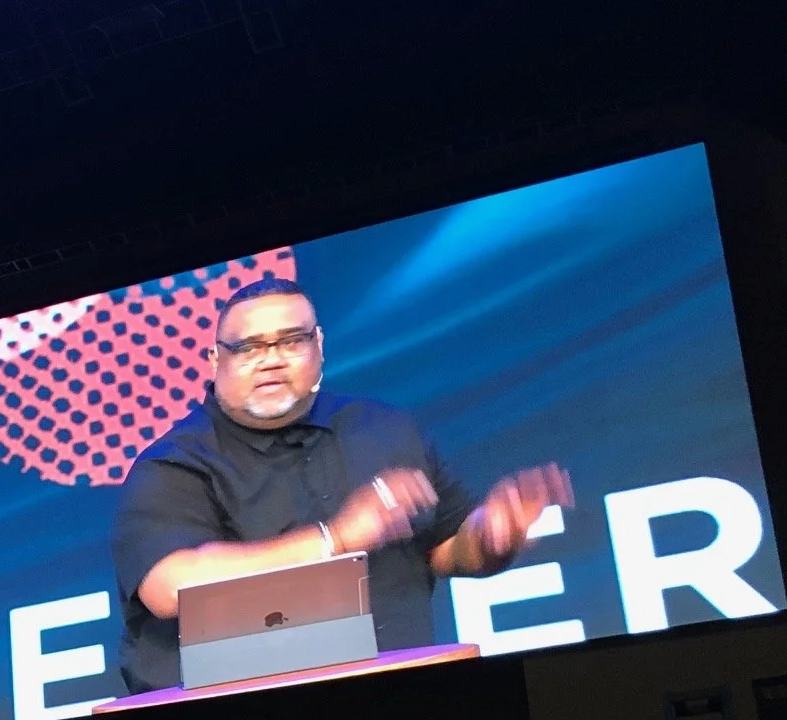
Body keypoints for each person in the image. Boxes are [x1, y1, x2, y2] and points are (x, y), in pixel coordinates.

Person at [108, 275, 573, 693]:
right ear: (215, 359)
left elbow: (447, 549)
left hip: (401, 698)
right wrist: (339, 538)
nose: (270, 361)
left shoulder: (385, 428)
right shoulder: (174, 461)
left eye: (290, 341)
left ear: (319, 346)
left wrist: (492, 536)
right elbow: (172, 587)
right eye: (248, 347)